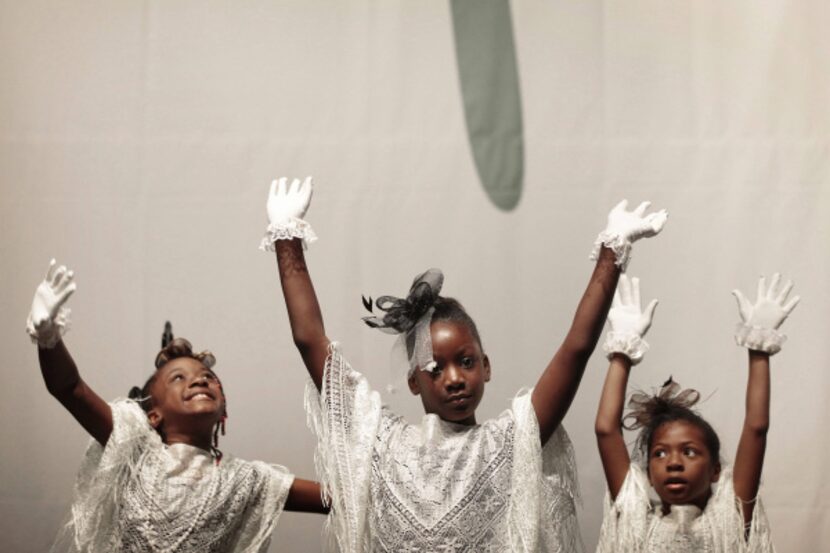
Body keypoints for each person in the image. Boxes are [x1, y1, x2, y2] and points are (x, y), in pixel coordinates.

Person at [263, 176, 667, 552]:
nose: (454, 378)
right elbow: (310, 341)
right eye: (435, 368)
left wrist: (612, 252)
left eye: (466, 362)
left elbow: (575, 350)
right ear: (413, 382)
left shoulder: (508, 444)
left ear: (486, 367)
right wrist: (287, 240)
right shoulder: (382, 443)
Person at [27, 259, 327, 553]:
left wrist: (368, 451)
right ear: (153, 415)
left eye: (208, 376)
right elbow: (70, 389)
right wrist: (48, 338)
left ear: (223, 411)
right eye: (178, 378)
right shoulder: (136, 454)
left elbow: (338, 499)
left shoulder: (245, 481)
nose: (199, 381)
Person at [594, 273, 799, 552]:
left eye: (689, 451)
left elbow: (756, 428)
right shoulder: (635, 521)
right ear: (649, 476)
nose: (673, 463)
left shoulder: (730, 518)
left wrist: (759, 349)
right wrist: (622, 350)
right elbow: (606, 430)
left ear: (716, 470)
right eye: (660, 453)